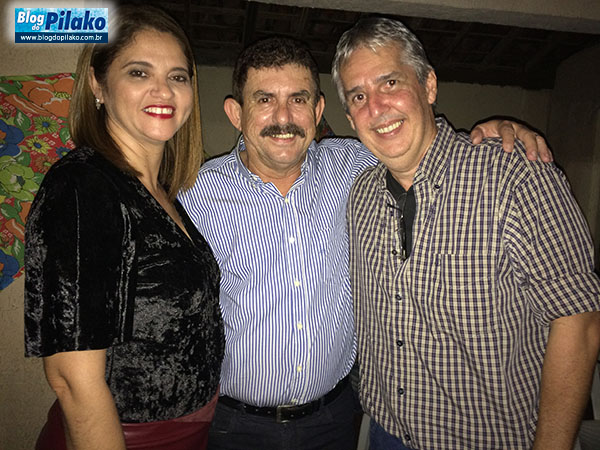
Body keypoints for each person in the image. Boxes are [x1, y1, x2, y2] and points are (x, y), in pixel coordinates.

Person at [178, 35, 551, 450]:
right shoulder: (195, 197)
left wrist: (497, 133)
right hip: (235, 426)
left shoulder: (354, 166)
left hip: (334, 419)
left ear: (318, 110)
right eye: (264, 100)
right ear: (236, 112)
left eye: (299, 99)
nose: (283, 117)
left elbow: (418, 144)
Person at [333, 17, 600, 450]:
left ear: (429, 85)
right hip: (387, 433)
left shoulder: (515, 175)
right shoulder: (359, 195)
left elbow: (578, 321)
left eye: (390, 82)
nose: (376, 108)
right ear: (349, 116)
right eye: (358, 96)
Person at [24, 5, 224, 449]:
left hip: (190, 431)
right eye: (138, 72)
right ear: (98, 84)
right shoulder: (83, 185)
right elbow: (72, 380)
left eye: (177, 76)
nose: (163, 90)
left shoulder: (160, 193)